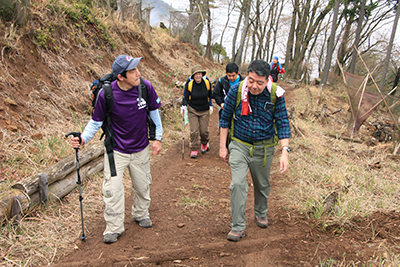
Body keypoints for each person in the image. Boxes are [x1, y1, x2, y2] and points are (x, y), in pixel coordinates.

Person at [70, 55, 163, 243]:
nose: (138, 73)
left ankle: (140, 213)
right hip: (116, 151)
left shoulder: (145, 87)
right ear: (120, 76)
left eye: (137, 69)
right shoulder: (107, 94)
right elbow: (96, 122)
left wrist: (158, 138)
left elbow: (154, 114)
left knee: (142, 185)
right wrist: (83, 138)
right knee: (112, 189)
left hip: (140, 148)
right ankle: (113, 227)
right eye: (132, 71)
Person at [219, 60, 290, 242]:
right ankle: (238, 226)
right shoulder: (236, 91)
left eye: (259, 82)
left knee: (262, 184)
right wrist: (222, 147)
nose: (254, 86)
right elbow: (225, 119)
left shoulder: (275, 95)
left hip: (264, 147)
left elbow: (282, 123)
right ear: (247, 75)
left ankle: (261, 212)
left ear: (267, 80)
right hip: (239, 145)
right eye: (251, 80)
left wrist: (284, 151)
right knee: (237, 184)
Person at [181, 65, 213, 159]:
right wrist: (183, 106)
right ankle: (194, 148)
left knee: (204, 130)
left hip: (204, 110)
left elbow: (210, 95)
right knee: (194, 131)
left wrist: (212, 104)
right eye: (196, 74)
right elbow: (186, 96)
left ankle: (204, 143)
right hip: (193, 110)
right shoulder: (190, 85)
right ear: (193, 76)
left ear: (202, 74)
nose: (198, 76)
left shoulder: (207, 83)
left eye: (199, 74)